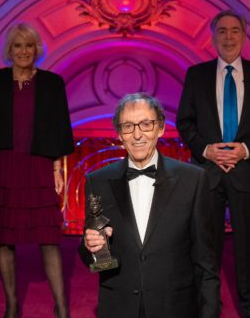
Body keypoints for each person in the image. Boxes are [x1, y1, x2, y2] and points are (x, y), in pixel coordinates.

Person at [176, 9, 250, 318]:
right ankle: (208, 308)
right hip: (207, 174)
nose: (228, 36)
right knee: (205, 246)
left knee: (248, 246)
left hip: (246, 172)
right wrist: (207, 150)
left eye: (234, 30)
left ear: (244, 35)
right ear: (213, 37)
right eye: (222, 31)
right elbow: (185, 122)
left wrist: (246, 150)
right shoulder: (196, 75)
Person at [0, 22, 74, 318]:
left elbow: (58, 127)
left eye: (28, 45)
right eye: (18, 45)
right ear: (9, 50)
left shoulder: (52, 82)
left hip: (37, 164)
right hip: (2, 164)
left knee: (49, 236)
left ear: (37, 49)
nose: (24, 51)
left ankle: (61, 305)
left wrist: (56, 168)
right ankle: (12, 303)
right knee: (4, 236)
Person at [79, 93, 220, 318]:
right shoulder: (98, 182)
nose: (137, 135)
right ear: (118, 134)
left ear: (160, 128)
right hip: (119, 308)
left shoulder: (193, 180)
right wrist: (90, 247)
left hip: (175, 308)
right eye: (128, 126)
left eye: (146, 124)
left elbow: (206, 263)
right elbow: (97, 260)